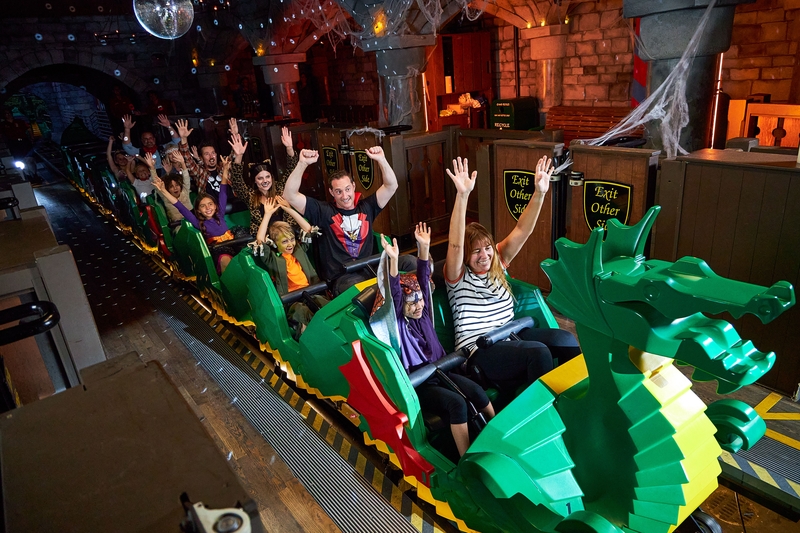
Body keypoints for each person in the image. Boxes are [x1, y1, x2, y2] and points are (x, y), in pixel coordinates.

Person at [444, 156, 580, 394]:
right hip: (478, 350)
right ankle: (538, 420)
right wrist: (462, 195)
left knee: (566, 340)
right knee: (538, 353)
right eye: (475, 251)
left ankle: (574, 400)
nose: (484, 255)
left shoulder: (498, 262)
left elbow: (522, 230)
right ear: (466, 256)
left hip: (510, 334)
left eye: (487, 248)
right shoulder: (457, 276)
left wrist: (539, 193)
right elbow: (455, 245)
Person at [372, 223, 494, 457]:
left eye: (420, 300)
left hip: (443, 370)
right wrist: (394, 262)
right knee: (457, 404)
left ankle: (498, 435)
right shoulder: (398, 322)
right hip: (422, 382)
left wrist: (424, 248)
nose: (418, 306)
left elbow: (423, 276)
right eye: (412, 303)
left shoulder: (424, 312)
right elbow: (395, 293)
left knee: (477, 391)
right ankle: (465, 457)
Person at [282, 147, 415, 295]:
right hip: (343, 278)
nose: (344, 196)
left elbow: (391, 186)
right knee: (363, 290)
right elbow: (290, 195)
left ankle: (417, 304)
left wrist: (381, 159)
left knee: (410, 262)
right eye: (338, 191)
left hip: (371, 268)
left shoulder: (366, 207)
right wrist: (302, 163)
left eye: (347, 189)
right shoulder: (323, 211)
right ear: (332, 192)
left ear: (353, 187)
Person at [153, 156, 244, 273]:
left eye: (210, 204)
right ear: (199, 210)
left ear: (215, 206)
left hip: (234, 243)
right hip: (219, 250)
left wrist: (225, 169)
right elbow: (179, 206)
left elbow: (223, 192)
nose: (208, 208)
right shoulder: (198, 222)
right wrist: (163, 190)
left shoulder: (220, 214)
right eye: (203, 206)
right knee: (226, 261)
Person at [254, 196, 327, 337]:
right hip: (292, 299)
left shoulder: (299, 249)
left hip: (312, 291)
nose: (290, 244)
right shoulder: (273, 259)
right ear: (275, 244)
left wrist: (289, 209)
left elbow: (308, 229)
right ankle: (311, 336)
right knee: (301, 311)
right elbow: (260, 241)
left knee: (323, 303)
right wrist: (267, 214)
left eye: (292, 239)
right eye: (285, 241)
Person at [229, 121, 298, 235]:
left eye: (267, 176)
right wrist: (239, 156)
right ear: (255, 181)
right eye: (260, 178)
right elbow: (237, 181)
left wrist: (289, 148)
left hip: (287, 236)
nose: (265, 180)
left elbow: (292, 170)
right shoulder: (250, 196)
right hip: (264, 239)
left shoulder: (280, 189)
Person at [175, 118, 222, 199]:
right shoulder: (200, 173)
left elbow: (236, 160)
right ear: (201, 158)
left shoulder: (224, 169)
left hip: (234, 206)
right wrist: (183, 139)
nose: (211, 156)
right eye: (207, 154)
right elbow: (187, 158)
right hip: (212, 208)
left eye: (213, 153)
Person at [150, 150, 192, 224]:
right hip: (178, 226)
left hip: (193, 221)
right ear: (168, 189)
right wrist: (152, 167)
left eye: (177, 185)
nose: (175, 188)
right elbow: (157, 182)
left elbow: (186, 178)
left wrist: (182, 163)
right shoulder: (166, 197)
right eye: (171, 186)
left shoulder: (185, 191)